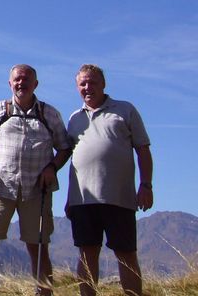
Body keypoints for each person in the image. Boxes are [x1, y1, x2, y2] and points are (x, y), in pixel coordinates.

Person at [0, 64, 71, 296]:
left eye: (26, 79)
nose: (21, 83)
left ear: (35, 84)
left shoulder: (49, 114)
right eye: (17, 79)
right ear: (10, 83)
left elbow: (64, 147)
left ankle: (44, 293)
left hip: (37, 190)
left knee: (38, 247)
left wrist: (52, 167)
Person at [66, 64, 153, 296]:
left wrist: (146, 185)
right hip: (82, 200)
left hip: (119, 197)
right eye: (83, 83)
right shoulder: (74, 119)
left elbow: (143, 149)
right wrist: (69, 198)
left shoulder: (125, 110)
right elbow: (72, 158)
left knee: (126, 254)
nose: (87, 87)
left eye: (92, 82)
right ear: (77, 87)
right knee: (87, 254)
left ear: (103, 84)